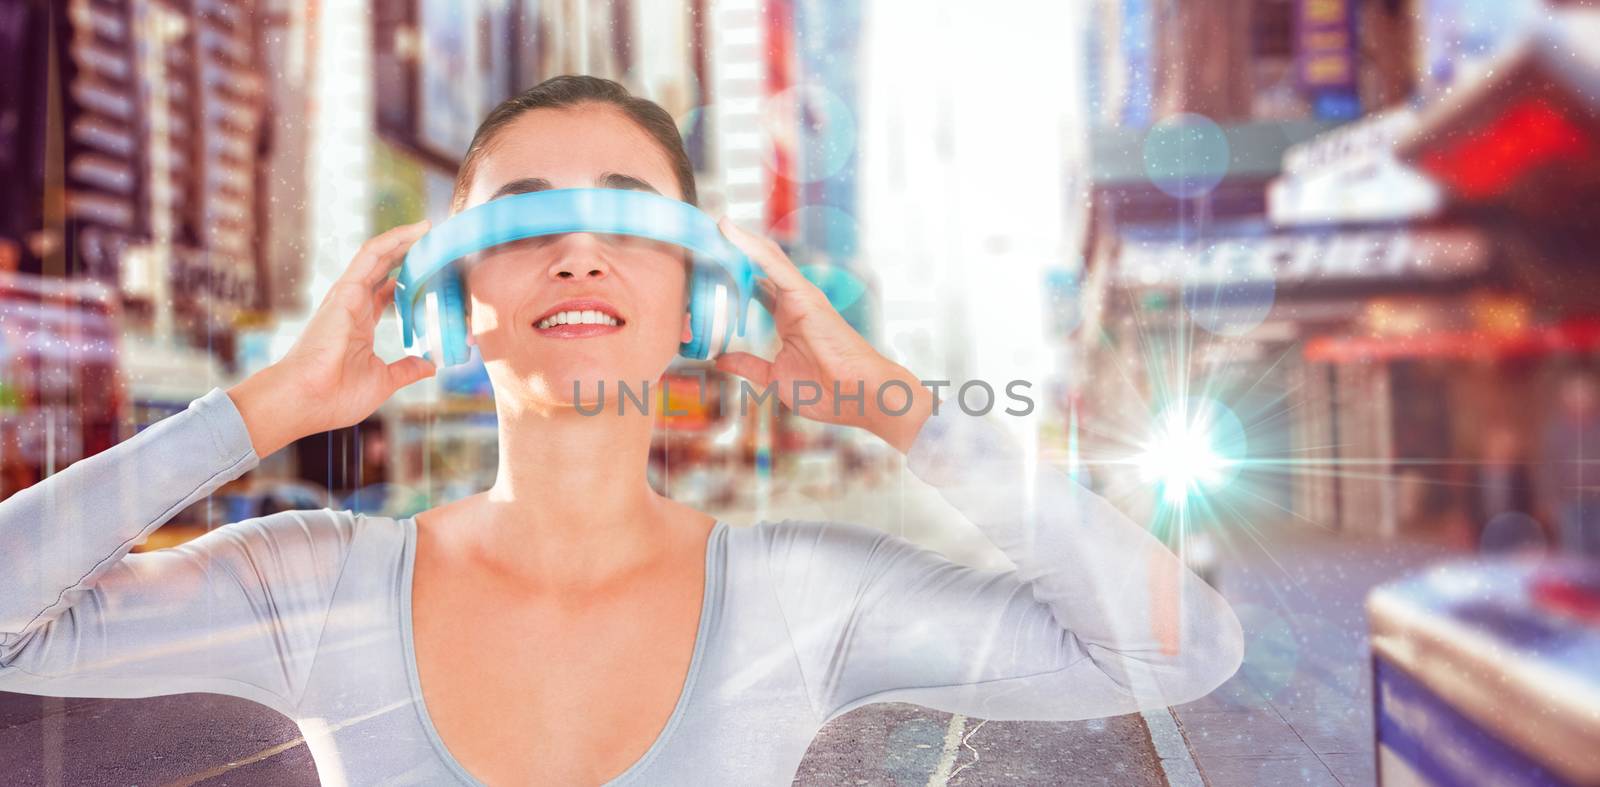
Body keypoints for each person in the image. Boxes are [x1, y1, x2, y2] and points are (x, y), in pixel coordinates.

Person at [0, 76, 1243, 786]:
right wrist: (269, 403)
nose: (580, 249)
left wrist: (891, 407)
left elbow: (1174, 648)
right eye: (523, 218)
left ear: (704, 298)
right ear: (447, 292)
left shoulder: (797, 592)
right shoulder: (315, 578)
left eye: (629, 217)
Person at [1542, 371, 1600, 558]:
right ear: (1566, 400)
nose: (1580, 400)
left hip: (1597, 500)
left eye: (1584, 395)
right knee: (1573, 552)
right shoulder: (1555, 431)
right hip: (1568, 502)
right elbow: (1548, 467)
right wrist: (1550, 500)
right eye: (1575, 396)